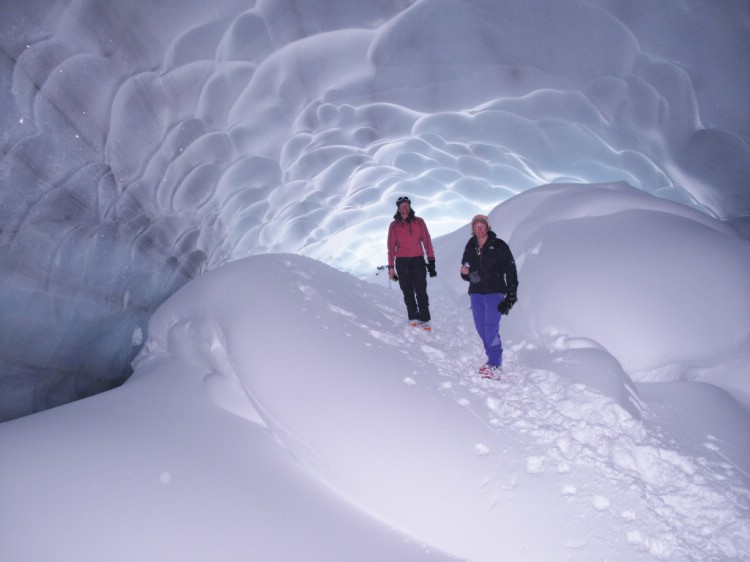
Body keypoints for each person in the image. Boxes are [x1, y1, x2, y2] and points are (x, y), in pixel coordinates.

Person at [460, 214, 518, 378]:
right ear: (473, 229)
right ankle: (491, 359)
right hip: (476, 293)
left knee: (491, 327)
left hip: (494, 292)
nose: (479, 229)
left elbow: (511, 270)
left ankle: (495, 363)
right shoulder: (470, 246)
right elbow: (466, 271)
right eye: (476, 226)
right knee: (481, 328)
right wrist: (465, 273)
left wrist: (510, 295)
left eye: (482, 226)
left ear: (488, 227)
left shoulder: (499, 246)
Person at [387, 196, 437, 330]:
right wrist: (391, 267)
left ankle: (425, 319)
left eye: (406, 206)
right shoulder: (394, 225)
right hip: (402, 262)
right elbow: (391, 248)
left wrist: (431, 260)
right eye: (401, 206)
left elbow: (427, 241)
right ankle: (413, 316)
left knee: (421, 289)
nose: (404, 209)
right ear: (398, 209)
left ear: (410, 207)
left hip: (418, 260)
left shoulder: (419, 222)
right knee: (407, 290)